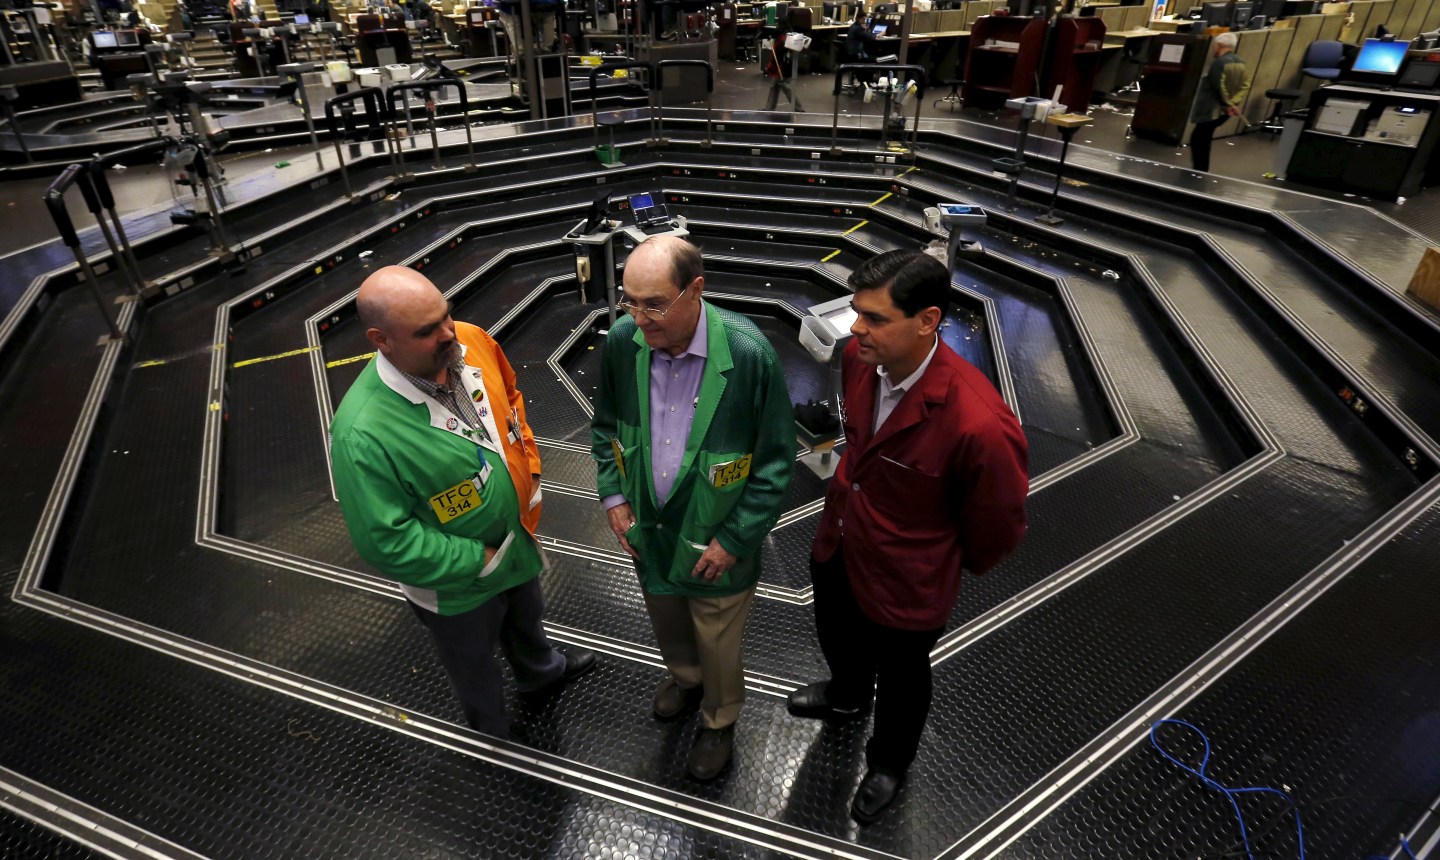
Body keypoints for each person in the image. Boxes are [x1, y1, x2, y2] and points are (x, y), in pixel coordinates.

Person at [788, 250, 1029, 825]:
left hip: (908, 582)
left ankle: (889, 763)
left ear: (927, 321)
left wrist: (937, 561)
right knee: (837, 634)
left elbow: (998, 525)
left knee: (902, 680)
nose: (855, 329)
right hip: (840, 541)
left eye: (874, 318)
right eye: (856, 313)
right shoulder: (857, 359)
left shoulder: (979, 422)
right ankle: (847, 695)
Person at [330, 266, 595, 740]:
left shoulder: (470, 341)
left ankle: (543, 671)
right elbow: (384, 540)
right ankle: (492, 730)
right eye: (427, 330)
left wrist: (529, 470)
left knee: (527, 618)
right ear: (381, 339)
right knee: (472, 661)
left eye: (446, 316)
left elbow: (512, 401)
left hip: (515, 540)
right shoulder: (361, 433)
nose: (448, 333)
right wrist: (478, 559)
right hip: (454, 584)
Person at [591, 235, 794, 781]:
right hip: (650, 530)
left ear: (696, 290)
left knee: (718, 635)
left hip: (718, 537)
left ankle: (720, 717)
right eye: (629, 301)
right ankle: (684, 678)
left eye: (654, 303)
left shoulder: (749, 355)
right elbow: (606, 426)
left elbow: (776, 460)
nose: (639, 318)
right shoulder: (622, 342)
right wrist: (613, 496)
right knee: (667, 618)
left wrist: (736, 538)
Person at [1189, 32, 1251, 172]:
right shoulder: (1240, 62)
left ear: (1218, 46)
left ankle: (1200, 171)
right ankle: (1200, 170)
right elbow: (1245, 85)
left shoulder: (1219, 63)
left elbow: (1218, 85)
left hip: (1213, 109)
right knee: (1203, 137)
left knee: (1199, 140)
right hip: (1226, 111)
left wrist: (1226, 104)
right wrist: (1234, 103)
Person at [762, 25, 806, 112]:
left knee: (785, 86)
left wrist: (769, 67)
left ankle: (798, 107)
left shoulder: (781, 39)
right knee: (774, 86)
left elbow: (777, 56)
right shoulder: (789, 35)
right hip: (785, 65)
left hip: (781, 67)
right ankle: (769, 108)